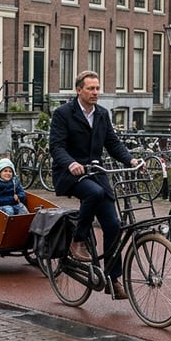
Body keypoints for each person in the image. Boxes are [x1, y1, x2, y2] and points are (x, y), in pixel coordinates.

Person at [49, 70, 141, 300]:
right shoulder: (63, 114)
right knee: (94, 193)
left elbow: (112, 142)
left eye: (97, 88)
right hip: (70, 174)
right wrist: (70, 163)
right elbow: (56, 147)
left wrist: (131, 160)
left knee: (113, 224)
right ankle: (78, 239)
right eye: (91, 88)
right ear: (79, 90)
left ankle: (113, 278)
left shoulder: (102, 114)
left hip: (96, 172)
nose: (95, 93)